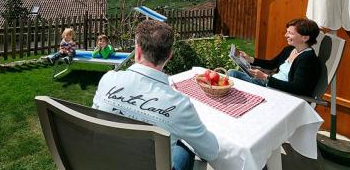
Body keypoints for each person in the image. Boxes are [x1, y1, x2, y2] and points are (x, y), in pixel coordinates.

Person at [93, 20, 219, 170]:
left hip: (108, 162)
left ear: (138, 50)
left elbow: (95, 118)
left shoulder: (108, 79)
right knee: (185, 147)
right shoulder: (179, 105)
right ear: (169, 55)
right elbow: (211, 152)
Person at [229, 18, 320, 96]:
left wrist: (265, 77)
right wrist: (250, 59)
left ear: (305, 38)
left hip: (279, 92)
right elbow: (272, 64)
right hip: (270, 84)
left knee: (232, 79)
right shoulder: (290, 49)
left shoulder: (308, 59)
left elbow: (297, 88)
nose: (286, 35)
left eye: (290, 33)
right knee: (233, 73)